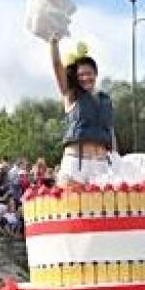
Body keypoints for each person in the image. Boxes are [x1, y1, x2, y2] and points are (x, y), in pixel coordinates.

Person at [49, 40, 115, 184]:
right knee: (70, 205)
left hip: (102, 165)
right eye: (81, 75)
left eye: (89, 73)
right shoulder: (71, 94)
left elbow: (110, 131)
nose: (85, 78)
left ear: (96, 74)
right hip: (76, 163)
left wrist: (117, 159)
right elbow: (56, 66)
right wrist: (53, 42)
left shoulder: (106, 99)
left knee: (102, 207)